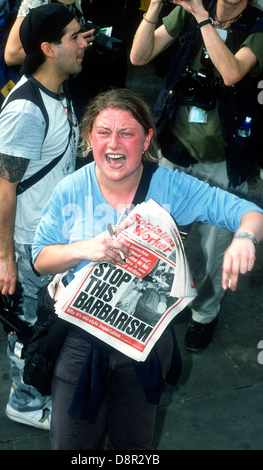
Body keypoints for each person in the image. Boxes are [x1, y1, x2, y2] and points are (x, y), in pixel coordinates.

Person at [31, 88, 263, 449]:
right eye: (104, 132)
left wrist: (245, 237)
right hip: (78, 341)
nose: (114, 144)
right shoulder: (70, 189)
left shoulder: (170, 186)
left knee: (134, 446)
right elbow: (40, 257)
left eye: (127, 133)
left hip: (144, 346)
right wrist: (86, 249)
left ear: (147, 138)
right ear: (89, 136)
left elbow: (249, 213)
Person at [130, 0, 263, 351]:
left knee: (216, 247)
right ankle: (175, 301)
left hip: (223, 159)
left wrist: (203, 18)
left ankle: (205, 313)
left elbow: (232, 72)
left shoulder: (257, 25)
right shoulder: (189, 11)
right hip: (175, 152)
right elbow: (139, 57)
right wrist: (156, 6)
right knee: (167, 239)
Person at [0, 3, 87, 429]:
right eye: (74, 36)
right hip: (30, 244)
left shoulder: (58, 94)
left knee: (45, 325)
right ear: (48, 48)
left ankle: (38, 390)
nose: (85, 41)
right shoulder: (28, 108)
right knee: (28, 329)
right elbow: (3, 188)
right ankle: (26, 403)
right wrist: (5, 257)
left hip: (50, 239)